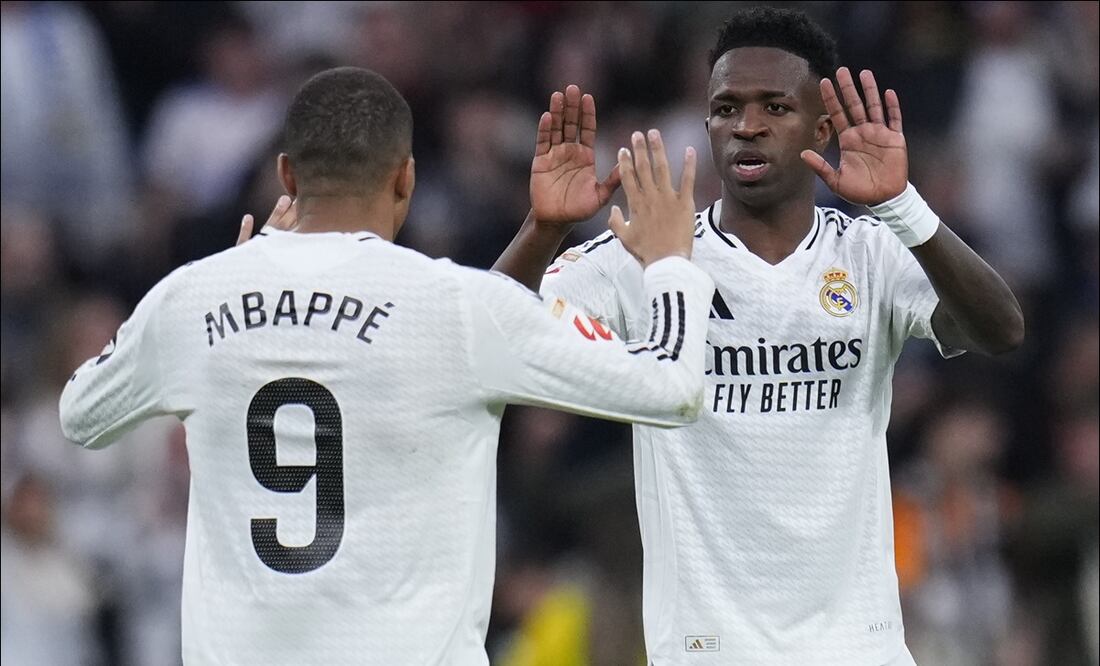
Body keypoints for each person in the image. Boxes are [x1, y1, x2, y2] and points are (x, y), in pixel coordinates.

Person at [58, 66, 716, 665]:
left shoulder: (190, 299)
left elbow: (81, 414)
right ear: (405, 176)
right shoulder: (454, 306)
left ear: (287, 175)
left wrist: (221, 326)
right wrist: (669, 263)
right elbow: (671, 388)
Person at [491, 7, 1024, 665]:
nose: (747, 125)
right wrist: (542, 231)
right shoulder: (652, 253)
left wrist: (902, 206)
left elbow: (1001, 328)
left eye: (775, 106)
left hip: (857, 648)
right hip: (709, 650)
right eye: (726, 108)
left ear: (823, 127)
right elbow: (487, 336)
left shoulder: (870, 253)